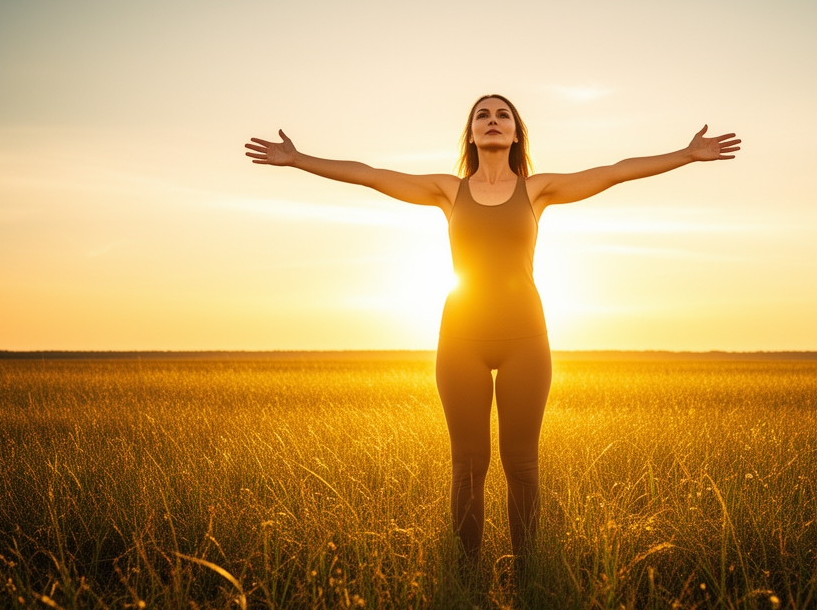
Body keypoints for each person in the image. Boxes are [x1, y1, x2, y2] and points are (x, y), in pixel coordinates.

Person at [245, 95, 740, 561]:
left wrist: (687, 154)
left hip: (527, 340)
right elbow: (370, 175)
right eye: (482, 114)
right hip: (460, 340)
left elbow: (613, 173)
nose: (492, 119)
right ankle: (466, 576)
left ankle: (527, 575)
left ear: (516, 133)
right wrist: (300, 159)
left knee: (522, 466)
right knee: (468, 466)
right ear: (472, 133)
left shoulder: (537, 189)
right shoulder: (447, 190)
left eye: (502, 114)